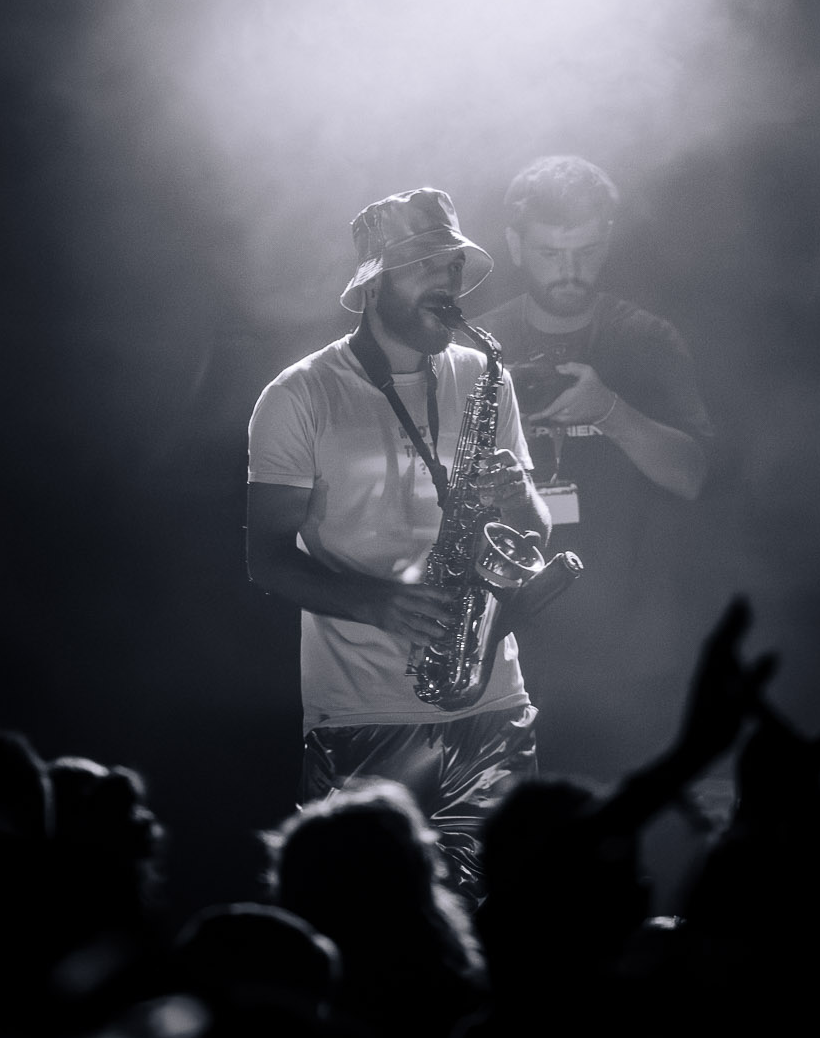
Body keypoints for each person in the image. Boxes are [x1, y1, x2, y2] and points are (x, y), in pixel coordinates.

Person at [245, 187, 551, 902]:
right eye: (424, 266)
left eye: (453, 266)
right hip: (361, 714)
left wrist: (519, 501)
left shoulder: (487, 375)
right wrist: (376, 603)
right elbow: (266, 560)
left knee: (511, 921)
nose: (447, 284)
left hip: (492, 702)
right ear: (374, 282)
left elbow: (532, 533)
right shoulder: (299, 395)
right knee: (361, 921)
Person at [477, 156, 714, 776]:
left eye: (584, 252)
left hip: (631, 637)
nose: (569, 270)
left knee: (629, 808)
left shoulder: (647, 340)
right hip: (509, 637)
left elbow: (691, 476)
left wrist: (608, 409)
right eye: (550, 253)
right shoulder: (476, 349)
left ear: (607, 240)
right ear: (515, 245)